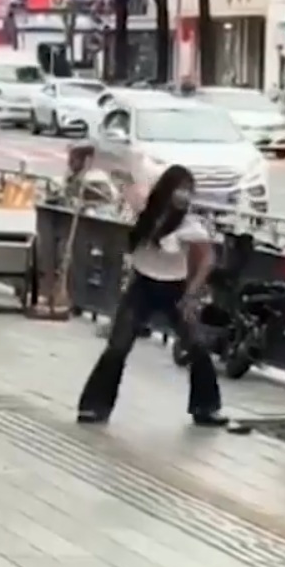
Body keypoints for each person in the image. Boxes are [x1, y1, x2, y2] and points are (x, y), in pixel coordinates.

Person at [77, 164, 229, 427]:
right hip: (142, 285)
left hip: (175, 290)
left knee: (197, 346)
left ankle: (206, 408)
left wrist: (192, 294)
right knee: (118, 345)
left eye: (188, 190)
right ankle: (94, 406)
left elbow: (207, 259)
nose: (184, 195)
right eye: (180, 188)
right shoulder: (145, 215)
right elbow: (129, 187)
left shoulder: (190, 225)